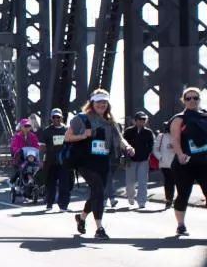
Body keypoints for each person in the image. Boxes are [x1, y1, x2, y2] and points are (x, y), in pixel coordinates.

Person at [64, 89, 135, 239]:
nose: (101, 104)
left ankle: (82, 218)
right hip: (85, 162)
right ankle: (99, 228)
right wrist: (83, 135)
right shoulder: (81, 119)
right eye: (98, 102)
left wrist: (127, 147)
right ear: (92, 103)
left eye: (104, 102)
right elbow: (68, 137)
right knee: (97, 189)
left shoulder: (111, 121)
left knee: (98, 193)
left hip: (103, 161)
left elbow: (120, 138)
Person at [168, 87, 207, 236]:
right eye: (188, 98)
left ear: (199, 99)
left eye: (195, 98)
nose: (192, 100)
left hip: (205, 162)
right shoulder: (179, 118)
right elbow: (175, 139)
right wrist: (179, 154)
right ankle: (181, 225)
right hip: (185, 163)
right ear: (183, 100)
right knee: (183, 194)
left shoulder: (206, 116)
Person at [38, 108, 70, 211]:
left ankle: (63, 205)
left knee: (64, 184)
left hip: (64, 162)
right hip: (50, 162)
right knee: (50, 184)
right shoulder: (46, 131)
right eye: (54, 117)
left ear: (62, 118)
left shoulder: (67, 130)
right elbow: (42, 148)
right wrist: (41, 161)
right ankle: (49, 203)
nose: (56, 119)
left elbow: (72, 145)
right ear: (51, 118)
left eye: (58, 117)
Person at [123, 111, 155, 209]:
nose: (142, 121)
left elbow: (151, 145)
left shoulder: (148, 132)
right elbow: (123, 145)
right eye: (140, 119)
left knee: (143, 181)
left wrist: (147, 154)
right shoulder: (128, 131)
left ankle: (142, 201)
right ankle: (131, 196)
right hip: (131, 160)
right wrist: (126, 154)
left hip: (143, 160)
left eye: (144, 119)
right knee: (130, 182)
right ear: (135, 120)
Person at [10, 118, 41, 184]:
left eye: (28, 126)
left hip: (31, 157)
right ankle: (13, 181)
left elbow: (37, 145)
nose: (27, 128)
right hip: (20, 157)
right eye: (25, 126)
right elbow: (13, 147)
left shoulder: (33, 136)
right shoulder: (17, 136)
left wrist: (39, 149)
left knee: (37, 166)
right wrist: (18, 150)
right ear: (21, 127)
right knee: (20, 168)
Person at [153, 120, 176, 208]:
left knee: (177, 182)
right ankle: (169, 199)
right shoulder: (161, 136)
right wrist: (160, 157)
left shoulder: (177, 134)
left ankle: (177, 199)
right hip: (165, 163)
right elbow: (155, 149)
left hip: (176, 163)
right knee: (169, 182)